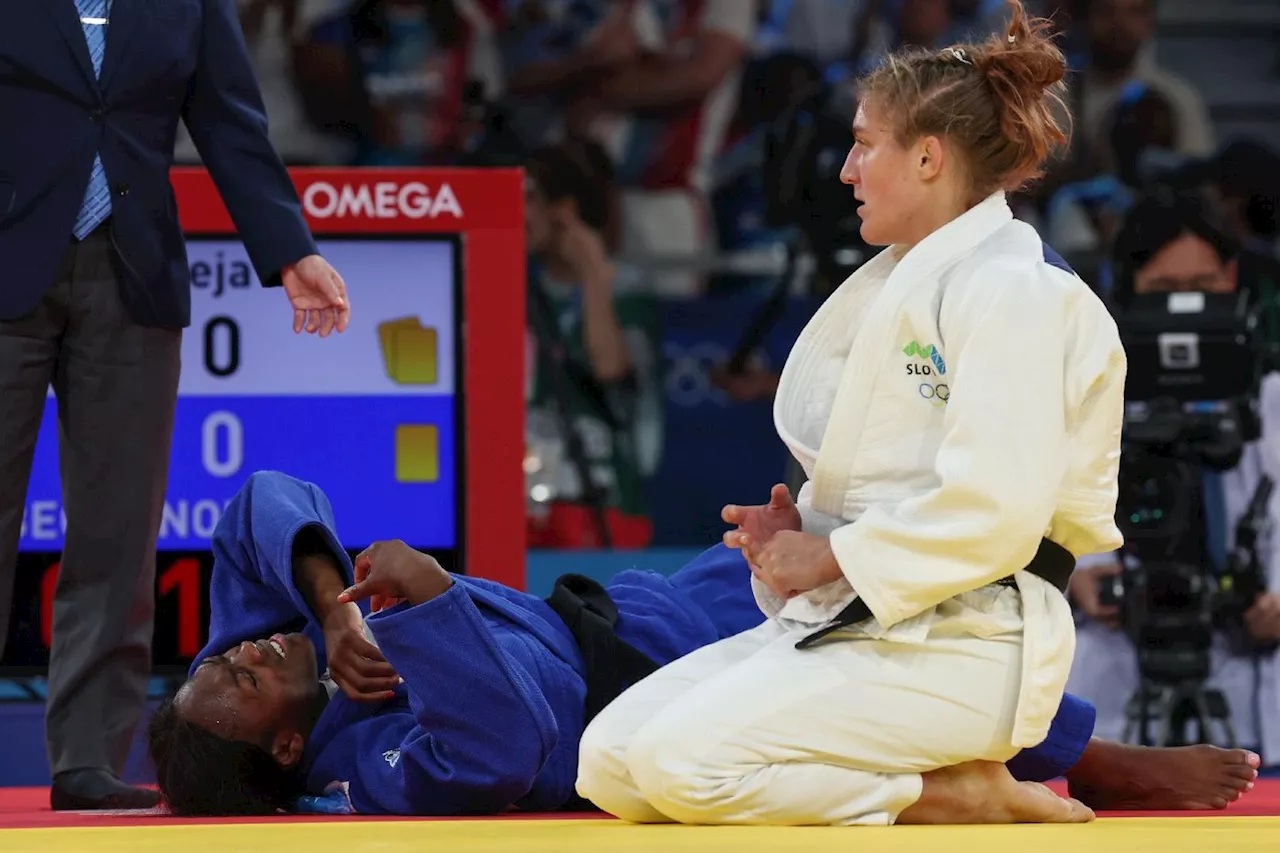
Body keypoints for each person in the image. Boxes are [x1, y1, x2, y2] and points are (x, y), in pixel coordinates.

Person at [572, 0, 1151, 827]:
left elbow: (997, 509)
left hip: (974, 643)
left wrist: (834, 554)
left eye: (864, 144)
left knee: (680, 766)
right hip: (869, 623)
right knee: (611, 760)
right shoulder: (907, 281)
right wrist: (798, 538)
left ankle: (948, 794)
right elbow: (898, 484)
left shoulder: (1012, 290)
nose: (845, 169)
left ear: (926, 156)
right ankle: (931, 787)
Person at [146, 471, 1258, 817]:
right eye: (232, 687)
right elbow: (511, 748)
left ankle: (1027, 758)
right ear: (284, 753)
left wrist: (332, 605)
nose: (237, 659)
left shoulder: (296, 641)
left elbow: (259, 500)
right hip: (662, 685)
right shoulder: (361, 773)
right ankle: (1080, 756)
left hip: (649, 604)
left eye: (216, 660)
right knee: (907, 626)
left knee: (861, 539)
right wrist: (430, 605)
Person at [0, 0, 350, 810]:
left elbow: (230, 119)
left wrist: (289, 249)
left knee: (118, 530)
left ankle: (86, 756)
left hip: (135, 275)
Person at [1065, 191, 1280, 763]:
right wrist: (1071, 576)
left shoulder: (1274, 401)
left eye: (1204, 288)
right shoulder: (1083, 398)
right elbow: (1020, 520)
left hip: (1253, 687)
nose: (1187, 306)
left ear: (1232, 278)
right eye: (1165, 291)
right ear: (1130, 290)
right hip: (1119, 685)